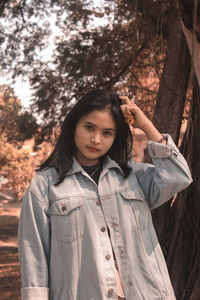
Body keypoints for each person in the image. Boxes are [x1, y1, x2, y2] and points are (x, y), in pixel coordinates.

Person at [18, 89, 192, 300]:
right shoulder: (44, 186)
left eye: (107, 132)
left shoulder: (132, 175)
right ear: (74, 125)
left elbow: (178, 177)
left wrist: (146, 126)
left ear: (115, 136)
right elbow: (34, 259)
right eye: (89, 127)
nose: (96, 139)